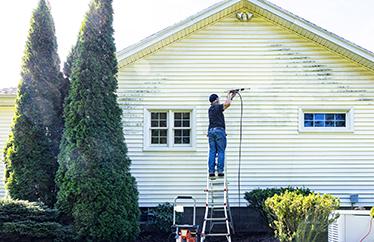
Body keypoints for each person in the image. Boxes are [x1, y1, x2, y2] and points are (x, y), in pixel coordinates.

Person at [207, 91, 236, 178]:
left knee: (212, 151)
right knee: (220, 151)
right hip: (219, 131)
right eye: (218, 99)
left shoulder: (210, 109)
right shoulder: (217, 107)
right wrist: (228, 95)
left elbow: (226, 104)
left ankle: (211, 172)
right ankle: (220, 171)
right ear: (216, 100)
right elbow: (227, 104)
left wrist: (232, 96)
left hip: (211, 131)